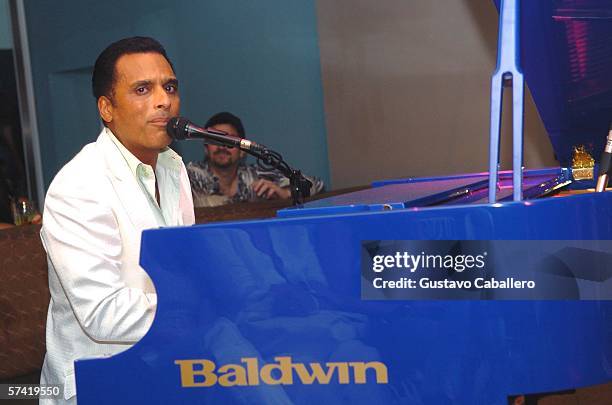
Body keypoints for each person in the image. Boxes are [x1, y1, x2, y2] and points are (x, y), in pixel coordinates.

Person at [39, 37, 194, 404]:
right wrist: (203, 308)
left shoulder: (173, 167)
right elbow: (103, 314)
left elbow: (183, 267)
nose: (163, 101)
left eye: (169, 87)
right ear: (106, 108)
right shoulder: (78, 185)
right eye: (143, 89)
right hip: (96, 383)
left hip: (164, 366)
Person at [186, 112, 325, 207]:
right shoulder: (191, 175)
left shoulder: (255, 174)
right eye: (214, 140)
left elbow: (317, 185)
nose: (222, 147)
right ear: (206, 148)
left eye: (229, 141)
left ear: (242, 151)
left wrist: (286, 193)